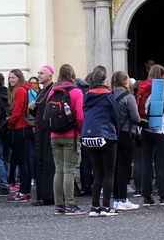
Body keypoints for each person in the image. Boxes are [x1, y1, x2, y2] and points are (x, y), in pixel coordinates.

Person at [81, 67, 120, 217]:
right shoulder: (108, 96)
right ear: (105, 80)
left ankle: (94, 207)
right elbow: (115, 116)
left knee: (97, 173)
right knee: (108, 173)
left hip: (89, 134)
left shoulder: (87, 95)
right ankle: (106, 207)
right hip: (106, 133)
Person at [48, 64, 85, 215]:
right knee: (69, 170)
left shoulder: (52, 92)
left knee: (59, 170)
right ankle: (69, 204)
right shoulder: (76, 92)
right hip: (71, 135)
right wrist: (81, 132)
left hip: (54, 135)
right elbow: (81, 116)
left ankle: (59, 204)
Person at [139, 64, 164, 206]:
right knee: (161, 164)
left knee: (146, 164)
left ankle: (147, 197)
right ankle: (163, 195)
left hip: (146, 130)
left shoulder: (143, 88)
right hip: (162, 130)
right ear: (163, 75)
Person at [111, 71, 143, 211]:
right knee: (124, 167)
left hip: (112, 134)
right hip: (126, 134)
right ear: (125, 82)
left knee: (114, 167)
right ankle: (123, 199)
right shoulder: (128, 97)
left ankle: (116, 199)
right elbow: (135, 118)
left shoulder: (109, 96)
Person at [7, 69, 35, 202]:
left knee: (21, 161)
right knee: (27, 161)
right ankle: (26, 191)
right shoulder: (26, 89)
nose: (10, 80)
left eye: (13, 78)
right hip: (27, 128)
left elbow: (17, 111)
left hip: (20, 128)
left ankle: (23, 191)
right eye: (9, 78)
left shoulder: (20, 91)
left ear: (18, 78)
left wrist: (9, 123)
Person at [30, 66, 56, 206]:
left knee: (48, 163)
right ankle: (42, 195)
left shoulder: (52, 90)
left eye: (41, 73)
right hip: (40, 132)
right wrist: (32, 109)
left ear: (50, 76)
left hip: (48, 132)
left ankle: (49, 195)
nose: (38, 75)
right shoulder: (42, 91)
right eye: (38, 72)